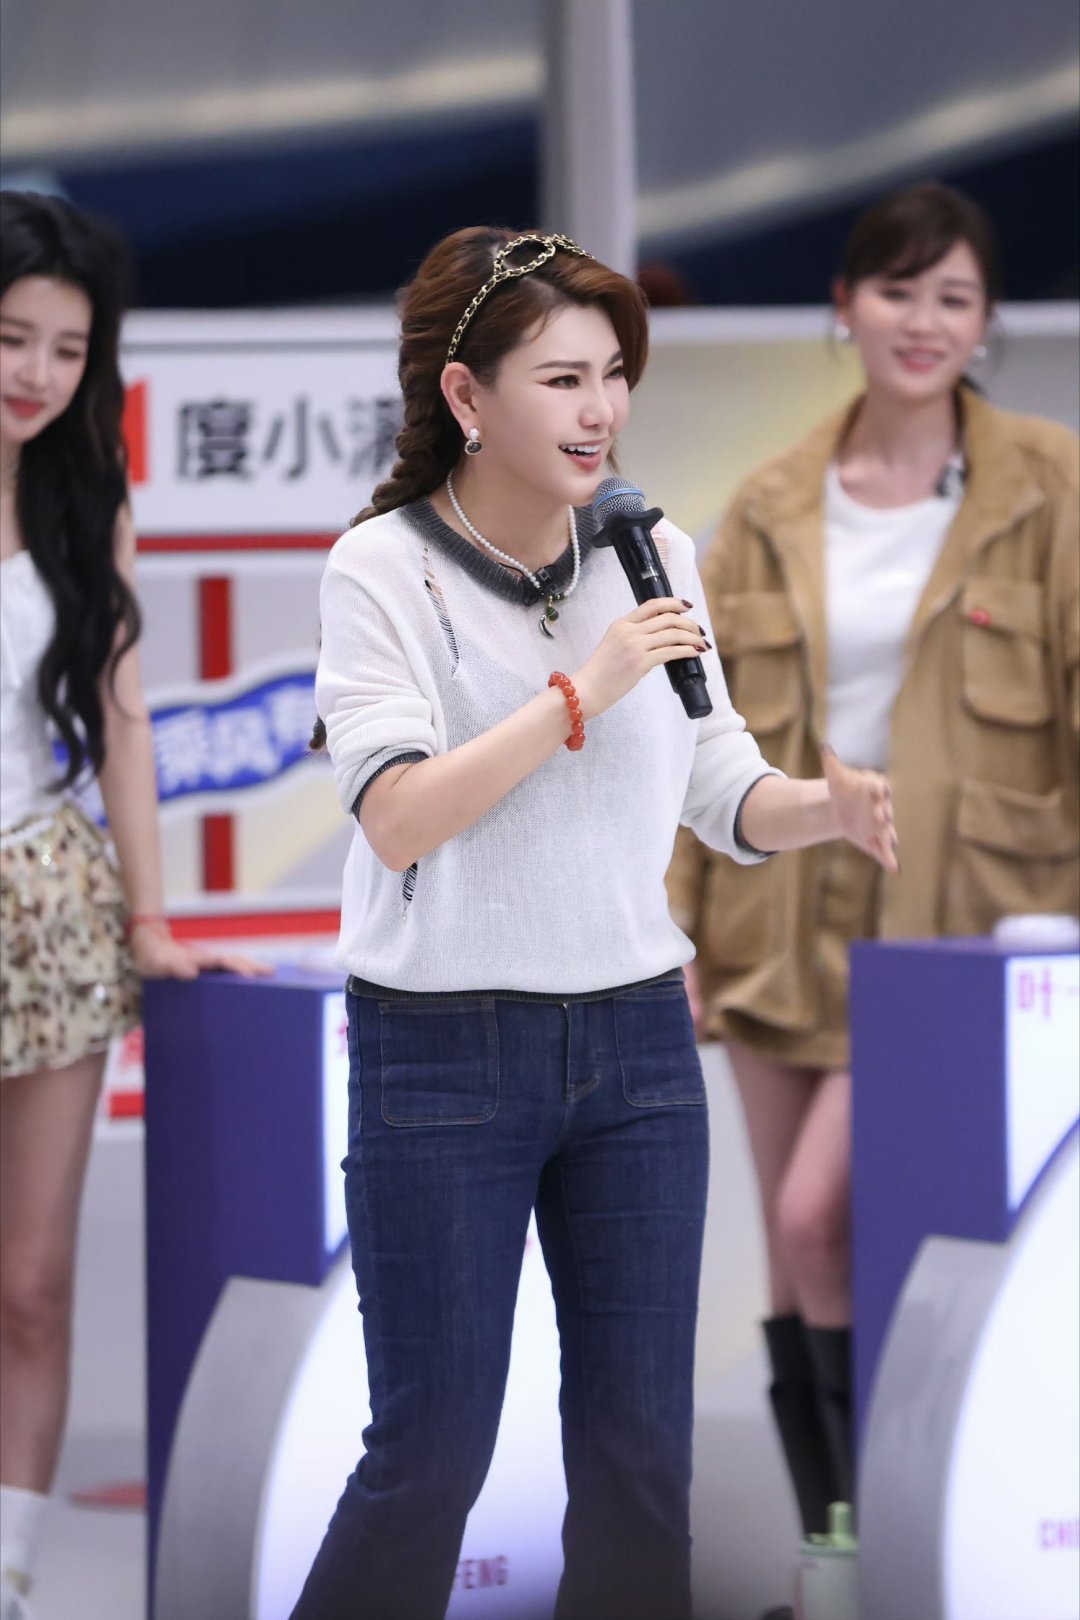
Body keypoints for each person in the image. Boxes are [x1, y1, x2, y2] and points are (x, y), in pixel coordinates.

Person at [292, 224, 897, 1620]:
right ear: (466, 396)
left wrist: (828, 804)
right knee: (430, 1454)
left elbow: (721, 789)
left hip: (636, 1047)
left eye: (614, 375)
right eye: (564, 379)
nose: (602, 410)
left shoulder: (652, 545)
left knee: (639, 1463)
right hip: (443, 1050)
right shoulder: (381, 568)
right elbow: (399, 817)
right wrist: (582, 690)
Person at [668, 180, 1079, 1573]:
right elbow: (698, 733)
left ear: (986, 321)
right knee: (797, 1255)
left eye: (953, 296)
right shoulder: (768, 503)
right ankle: (836, 1564)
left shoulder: (1052, 482)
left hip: (965, 921)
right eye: (898, 290)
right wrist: (676, 924)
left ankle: (902, 1547)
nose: (923, 321)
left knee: (824, 1219)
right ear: (845, 306)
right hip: (776, 911)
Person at [0, 190, 263, 1620]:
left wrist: (153, 921)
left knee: (30, 1282)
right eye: (10, 339)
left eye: (66, 348)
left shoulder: (85, 499)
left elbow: (121, 718)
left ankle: (10, 1573)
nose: (36, 374)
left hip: (49, 908)